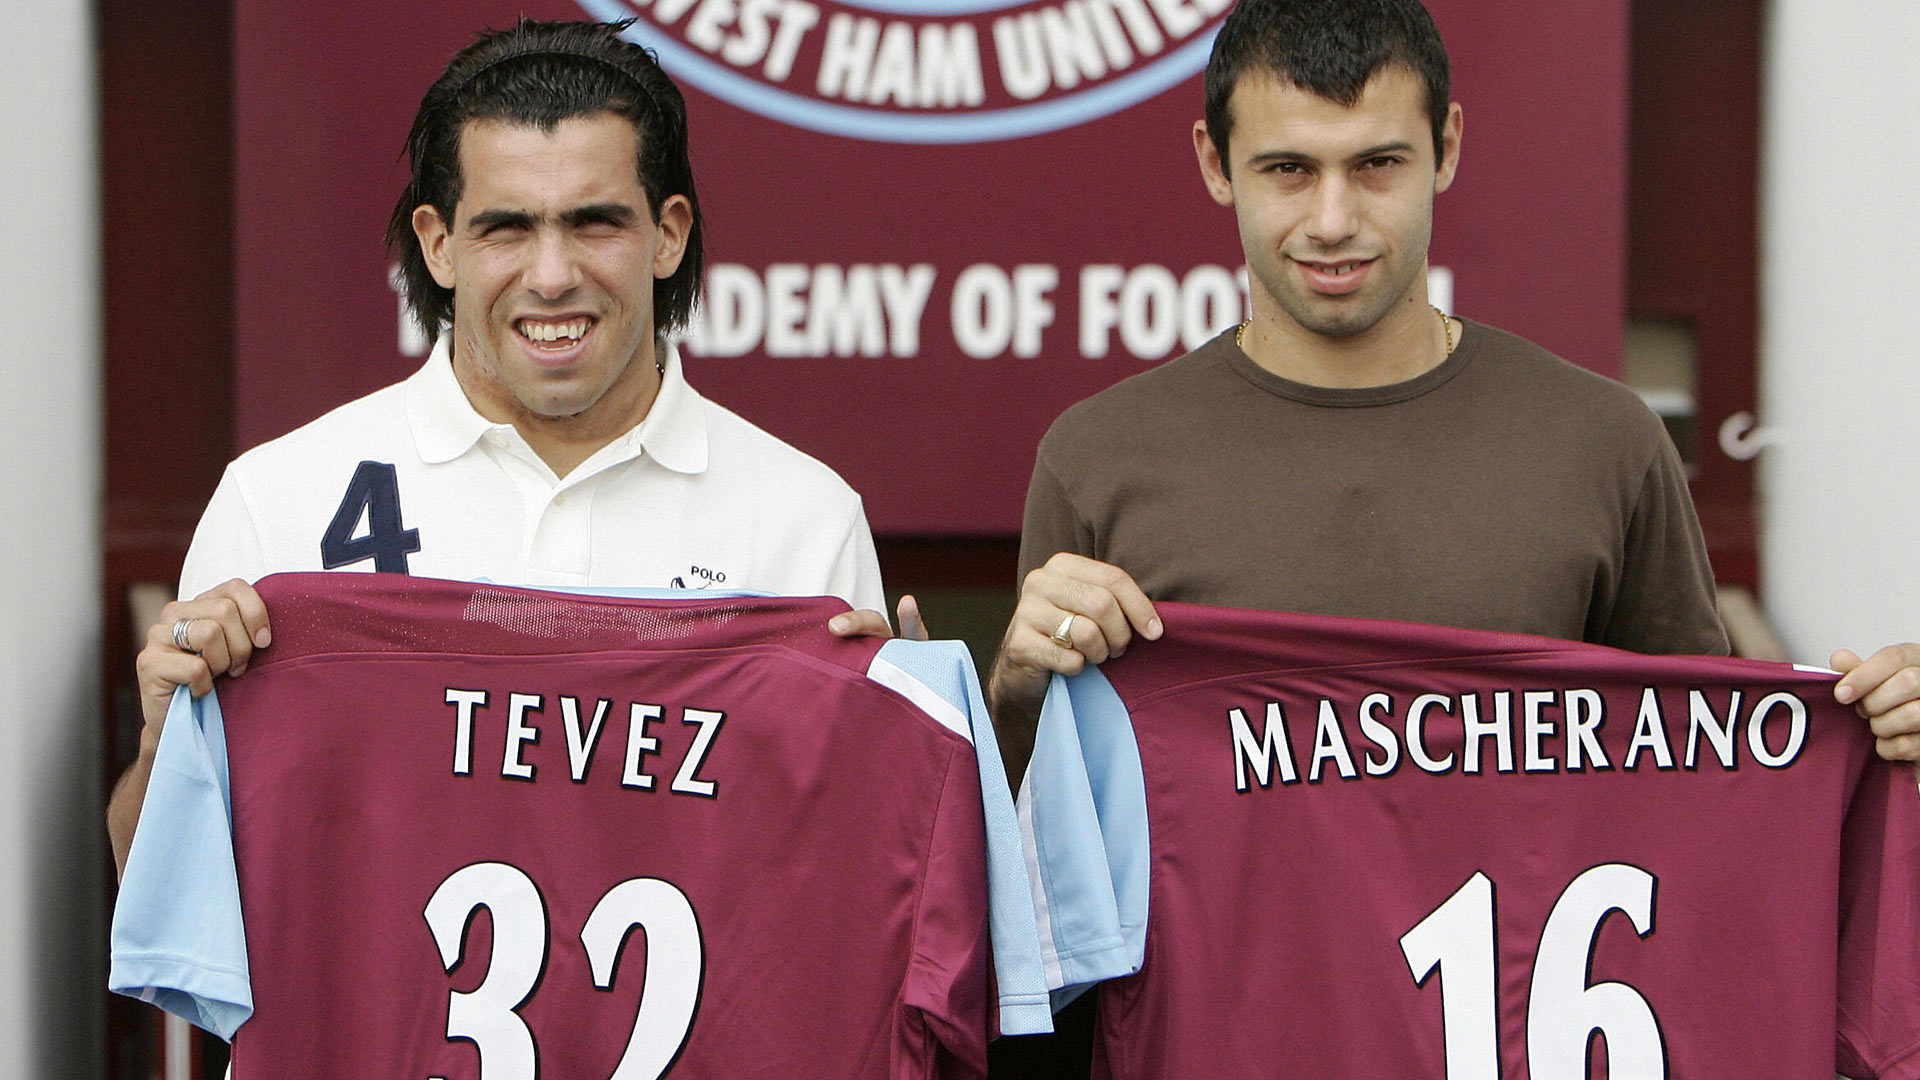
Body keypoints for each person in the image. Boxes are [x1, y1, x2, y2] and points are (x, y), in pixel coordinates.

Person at [987, 0, 1920, 777]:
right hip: (1201, 1003)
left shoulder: (1603, 443)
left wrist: (1876, 744)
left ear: (1448, 147)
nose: (1333, 219)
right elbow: (1037, 872)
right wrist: (1018, 690)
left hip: (1520, 998)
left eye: (1377, 165)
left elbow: (1707, 781)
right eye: (1289, 170)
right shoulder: (1098, 459)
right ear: (1213, 163)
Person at [108, 18, 914, 873]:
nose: (553, 274)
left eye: (595, 222)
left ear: (669, 234)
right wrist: (166, 741)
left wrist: (897, 753)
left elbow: (846, 887)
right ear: (438, 244)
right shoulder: (280, 499)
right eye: (507, 229)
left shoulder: (805, 517)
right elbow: (155, 882)